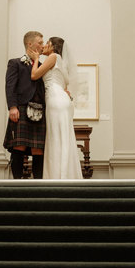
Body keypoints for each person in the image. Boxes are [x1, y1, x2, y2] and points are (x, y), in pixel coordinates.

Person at [31, 37, 83, 180]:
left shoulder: (54, 57)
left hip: (55, 100)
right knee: (63, 137)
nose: (44, 46)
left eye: (47, 43)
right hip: (62, 99)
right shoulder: (60, 61)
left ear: (53, 46)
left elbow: (34, 75)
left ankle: (57, 176)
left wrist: (36, 59)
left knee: (55, 137)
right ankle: (65, 174)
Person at [3, 31, 46, 179]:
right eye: (40, 42)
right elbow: (10, 87)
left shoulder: (42, 65)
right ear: (30, 44)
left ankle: (38, 183)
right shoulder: (15, 63)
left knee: (38, 148)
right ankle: (17, 182)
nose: (42, 45)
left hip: (40, 110)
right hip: (21, 107)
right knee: (19, 145)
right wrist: (12, 107)